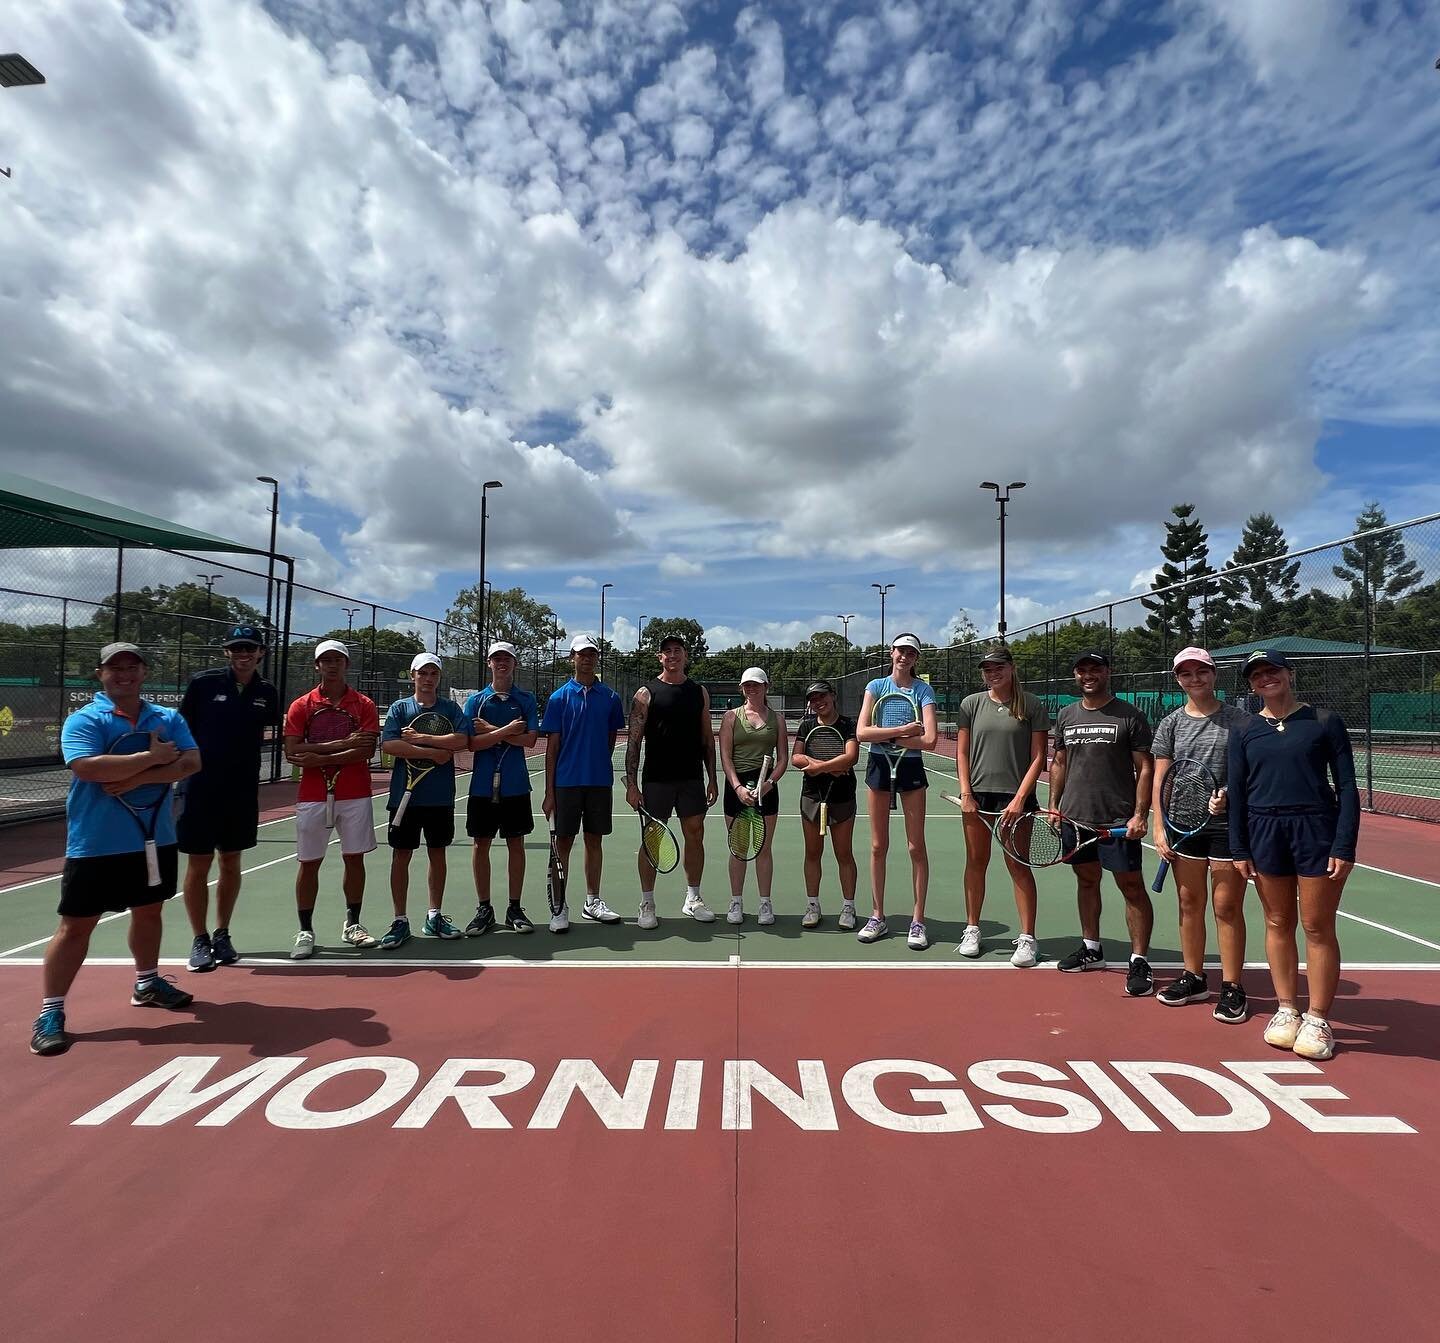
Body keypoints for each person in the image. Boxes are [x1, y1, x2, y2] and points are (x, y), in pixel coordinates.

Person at [31, 643, 202, 1056]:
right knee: (76, 926)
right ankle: (50, 1012)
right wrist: (152, 758)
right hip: (96, 843)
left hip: (154, 840)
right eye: (114, 667)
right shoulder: (84, 719)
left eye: (132, 666)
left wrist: (139, 777)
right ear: (100, 673)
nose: (124, 674)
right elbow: (87, 767)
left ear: (143, 672)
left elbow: (191, 762)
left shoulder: (168, 717)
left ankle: (147, 983)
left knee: (149, 912)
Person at [1229, 649, 1359, 1061]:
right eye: (1257, 674)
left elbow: (1348, 788)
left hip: (1315, 830)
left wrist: (1344, 844)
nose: (1266, 678)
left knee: (1317, 926)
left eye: (1273, 671)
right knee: (1277, 921)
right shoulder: (1245, 730)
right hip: (1264, 830)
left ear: (1290, 674)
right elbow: (1237, 793)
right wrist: (1239, 846)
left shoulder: (1324, 722)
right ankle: (1287, 1009)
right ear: (1251, 684)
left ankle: (1318, 1018)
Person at [1151, 647, 1251, 1021]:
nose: (1194, 679)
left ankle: (1232, 986)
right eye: (1185, 674)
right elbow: (1161, 780)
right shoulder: (1171, 724)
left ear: (1214, 674)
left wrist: (1230, 797)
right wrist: (1159, 826)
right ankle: (1194, 978)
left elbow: (1251, 776)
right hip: (1183, 828)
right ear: (1178, 679)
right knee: (1189, 904)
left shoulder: (1240, 722)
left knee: (1226, 908)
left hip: (1228, 830)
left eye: (1201, 672)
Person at [175, 623, 281, 972]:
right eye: (237, 649)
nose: (243, 655)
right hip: (200, 788)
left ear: (261, 653)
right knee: (198, 863)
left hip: (241, 789)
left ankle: (222, 933)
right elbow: (179, 728)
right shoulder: (203, 684)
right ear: (227, 652)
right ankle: (199, 938)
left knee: (231, 861)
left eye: (249, 649)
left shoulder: (267, 691)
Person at [1050, 651, 1156, 995]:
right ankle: (1091, 949)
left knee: (1131, 888)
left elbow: (1145, 769)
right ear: (1076, 675)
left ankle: (1139, 959)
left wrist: (1141, 814)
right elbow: (1060, 763)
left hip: (1118, 820)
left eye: (1095, 669)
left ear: (1107, 673)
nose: (1088, 675)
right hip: (1075, 817)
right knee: (1086, 881)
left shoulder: (1131, 716)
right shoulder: (1066, 715)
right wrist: (1054, 806)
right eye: (1082, 670)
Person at [283, 639, 381, 959]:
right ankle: (305, 930)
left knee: (354, 860)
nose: (332, 664)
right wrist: (342, 745)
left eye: (338, 659)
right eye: (326, 660)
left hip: (355, 794)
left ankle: (353, 924)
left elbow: (365, 750)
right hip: (312, 796)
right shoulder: (301, 706)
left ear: (346, 665)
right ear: (317, 666)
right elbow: (293, 752)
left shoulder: (364, 704)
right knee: (309, 863)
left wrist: (318, 752)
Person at [954, 645, 1049, 967]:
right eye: (987, 669)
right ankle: (972, 929)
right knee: (975, 862)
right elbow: (962, 753)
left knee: (1018, 866)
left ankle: (1027, 939)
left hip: (1017, 800)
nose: (993, 674)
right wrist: (966, 793)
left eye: (998, 668)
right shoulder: (971, 704)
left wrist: (1020, 799)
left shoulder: (1032, 705)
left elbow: (1039, 757)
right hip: (978, 798)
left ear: (1011, 668)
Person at [624, 632, 719, 929]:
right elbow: (634, 743)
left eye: (678, 650)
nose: (673, 655)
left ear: (685, 656)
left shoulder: (699, 692)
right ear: (660, 657)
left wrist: (712, 778)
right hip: (656, 780)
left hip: (691, 778)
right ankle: (647, 902)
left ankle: (693, 898)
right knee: (652, 839)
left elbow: (707, 737)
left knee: (695, 834)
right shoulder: (645, 693)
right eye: (667, 651)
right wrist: (631, 784)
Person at [376, 653, 471, 950]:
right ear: (413, 675)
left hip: (440, 797)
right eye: (423, 673)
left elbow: (462, 740)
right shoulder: (399, 708)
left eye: (433, 674)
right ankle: (400, 920)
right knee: (400, 856)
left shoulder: (450, 708)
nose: (428, 679)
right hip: (403, 797)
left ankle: (434, 916)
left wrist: (420, 739)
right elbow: (389, 744)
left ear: (438, 678)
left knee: (437, 855)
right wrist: (432, 753)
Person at [855, 633, 938, 950]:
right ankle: (877, 915)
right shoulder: (876, 687)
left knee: (916, 846)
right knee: (878, 846)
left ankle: (918, 921)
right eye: (901, 651)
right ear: (891, 653)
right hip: (878, 765)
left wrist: (891, 739)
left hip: (911, 768)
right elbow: (863, 732)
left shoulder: (923, 691)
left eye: (911, 653)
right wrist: (903, 731)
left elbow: (929, 740)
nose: (905, 656)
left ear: (916, 658)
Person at [541, 634, 627, 933]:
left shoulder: (611, 698)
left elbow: (610, 738)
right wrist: (549, 792)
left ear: (596, 658)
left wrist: (597, 763)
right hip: (566, 784)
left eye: (592, 654)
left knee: (594, 840)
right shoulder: (558, 698)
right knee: (563, 843)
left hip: (599, 783)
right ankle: (559, 905)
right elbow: (552, 749)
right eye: (581, 654)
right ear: (572, 658)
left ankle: (592, 901)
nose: (587, 658)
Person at [463, 641, 540, 936]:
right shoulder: (476, 701)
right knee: (480, 845)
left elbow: (531, 740)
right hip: (482, 786)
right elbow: (472, 743)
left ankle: (514, 908)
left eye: (507, 658)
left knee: (515, 844)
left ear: (514, 664)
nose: (501, 663)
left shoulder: (526, 699)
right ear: (489, 663)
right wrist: (509, 730)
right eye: (496, 658)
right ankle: (484, 908)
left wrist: (492, 732)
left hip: (516, 785)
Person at [718, 668, 789, 925]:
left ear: (766, 687)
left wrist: (769, 783)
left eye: (756, 685)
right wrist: (737, 787)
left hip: (766, 788)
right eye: (747, 685)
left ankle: (764, 903)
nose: (751, 689)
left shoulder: (777, 720)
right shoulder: (730, 718)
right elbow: (725, 758)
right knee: (738, 849)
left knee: (764, 848)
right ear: (742, 688)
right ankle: (735, 901)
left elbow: (783, 759)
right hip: (736, 787)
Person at [790, 679, 860, 930]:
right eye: (813, 699)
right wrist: (829, 766)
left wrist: (818, 767)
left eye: (822, 696)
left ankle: (848, 907)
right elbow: (795, 757)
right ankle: (812, 906)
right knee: (812, 853)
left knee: (844, 854)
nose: (818, 702)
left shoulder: (847, 724)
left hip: (842, 798)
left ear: (833, 696)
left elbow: (851, 757)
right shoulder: (807, 724)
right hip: (811, 796)